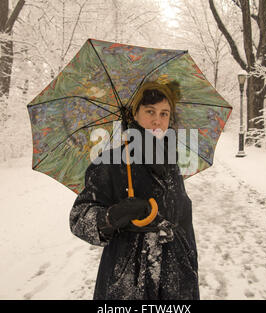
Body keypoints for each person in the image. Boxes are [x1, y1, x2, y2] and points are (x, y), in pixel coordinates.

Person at [69, 80, 200, 300]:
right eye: (150, 111)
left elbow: (184, 219)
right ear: (135, 114)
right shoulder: (111, 161)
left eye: (164, 113)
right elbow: (79, 218)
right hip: (128, 278)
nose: (157, 120)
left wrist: (190, 264)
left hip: (174, 277)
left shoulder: (171, 163)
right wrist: (113, 216)